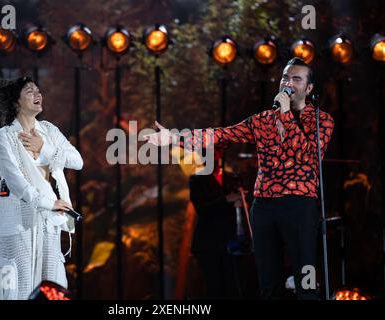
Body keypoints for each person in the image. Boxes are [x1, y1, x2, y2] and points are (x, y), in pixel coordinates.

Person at [143, 58, 335, 300]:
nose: (288, 82)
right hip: (264, 207)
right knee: (268, 283)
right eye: (285, 77)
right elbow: (221, 134)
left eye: (296, 78)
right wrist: (174, 137)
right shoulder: (262, 120)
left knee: (305, 283)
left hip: (299, 205)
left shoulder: (321, 121)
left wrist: (285, 115)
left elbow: (306, 153)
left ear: (308, 89)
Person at [0, 73, 83, 300]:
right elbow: (15, 181)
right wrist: (49, 203)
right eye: (30, 91)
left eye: (38, 90)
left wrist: (44, 148)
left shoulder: (49, 131)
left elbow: (77, 161)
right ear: (16, 101)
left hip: (49, 218)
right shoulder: (5, 136)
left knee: (50, 283)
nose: (37, 94)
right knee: (19, 281)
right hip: (18, 217)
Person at [189, 148, 244, 299]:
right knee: (214, 287)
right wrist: (226, 199)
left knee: (232, 286)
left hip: (230, 241)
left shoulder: (232, 178)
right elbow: (202, 209)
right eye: (207, 156)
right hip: (208, 243)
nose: (212, 159)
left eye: (215, 155)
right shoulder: (196, 180)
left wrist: (241, 202)